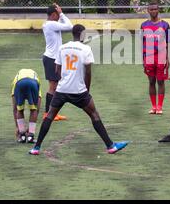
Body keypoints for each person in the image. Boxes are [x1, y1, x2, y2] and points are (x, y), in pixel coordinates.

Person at [29, 24, 128, 155]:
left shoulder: (62, 48)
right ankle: (110, 146)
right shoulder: (85, 49)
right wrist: (87, 89)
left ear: (72, 33)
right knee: (94, 114)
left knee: (50, 115)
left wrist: (64, 80)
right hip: (78, 90)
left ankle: (36, 147)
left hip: (62, 89)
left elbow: (57, 69)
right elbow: (88, 72)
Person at [42, 3, 73, 121]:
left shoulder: (51, 24)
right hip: (51, 59)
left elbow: (66, 25)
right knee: (53, 87)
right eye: (57, 15)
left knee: (56, 87)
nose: (59, 17)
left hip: (53, 59)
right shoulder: (51, 24)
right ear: (54, 14)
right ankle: (47, 113)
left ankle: (52, 113)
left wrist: (60, 14)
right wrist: (62, 13)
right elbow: (70, 26)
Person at [140, 2, 170, 115]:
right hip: (148, 57)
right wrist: (142, 59)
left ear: (158, 10)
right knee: (151, 81)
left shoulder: (165, 25)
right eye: (151, 9)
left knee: (161, 81)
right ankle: (153, 107)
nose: (153, 11)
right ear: (148, 11)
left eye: (155, 9)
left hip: (161, 56)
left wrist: (168, 59)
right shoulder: (143, 25)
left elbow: (169, 43)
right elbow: (141, 43)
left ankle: (160, 106)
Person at [11, 69, 42, 143]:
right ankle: (30, 137)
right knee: (33, 109)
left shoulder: (15, 81)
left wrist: (17, 127)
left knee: (19, 109)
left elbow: (15, 109)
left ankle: (22, 136)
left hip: (20, 83)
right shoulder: (37, 79)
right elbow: (37, 108)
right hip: (33, 83)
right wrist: (31, 128)